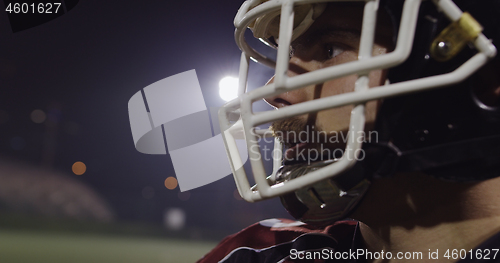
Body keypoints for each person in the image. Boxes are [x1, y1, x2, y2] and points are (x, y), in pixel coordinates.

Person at [199, 0, 500, 262]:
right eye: (289, 55)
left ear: (485, 83)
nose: (274, 93)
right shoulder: (255, 255)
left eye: (331, 50)